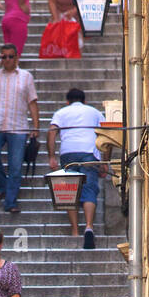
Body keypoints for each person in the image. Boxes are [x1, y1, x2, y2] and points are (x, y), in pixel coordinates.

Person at [0, 43, 39, 214]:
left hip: (18, 127)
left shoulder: (26, 76)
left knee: (16, 166)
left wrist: (36, 126)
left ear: (17, 57)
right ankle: (3, 186)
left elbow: (32, 102)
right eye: (4, 56)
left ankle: (10, 202)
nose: (7, 60)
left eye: (10, 56)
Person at [47, 87, 110, 249]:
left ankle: (75, 231)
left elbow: (52, 131)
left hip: (68, 153)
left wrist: (51, 156)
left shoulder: (61, 112)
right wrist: (105, 161)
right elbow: (107, 134)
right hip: (89, 152)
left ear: (67, 102)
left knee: (69, 191)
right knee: (89, 190)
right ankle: (89, 226)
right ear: (85, 101)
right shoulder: (94, 112)